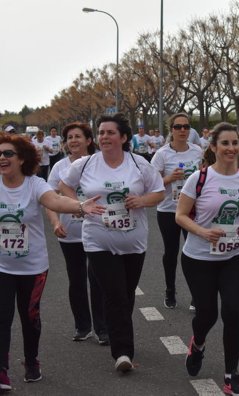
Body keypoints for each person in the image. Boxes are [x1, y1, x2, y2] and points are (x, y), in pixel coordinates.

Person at [60, 113, 165, 372]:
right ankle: (122, 353)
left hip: (133, 241)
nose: (104, 137)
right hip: (98, 240)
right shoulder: (85, 164)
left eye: (110, 132)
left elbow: (159, 192)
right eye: (101, 133)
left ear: (124, 137)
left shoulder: (139, 164)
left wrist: (142, 201)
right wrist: (80, 205)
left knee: (126, 294)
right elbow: (64, 186)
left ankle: (120, 335)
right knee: (115, 293)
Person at [0, 134, 103, 389]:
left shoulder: (35, 185)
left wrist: (79, 206)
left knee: (29, 316)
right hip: (2, 266)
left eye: (8, 153)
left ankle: (32, 360)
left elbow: (56, 200)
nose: (2, 158)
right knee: (2, 316)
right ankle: (1, 369)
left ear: (22, 158)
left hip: (33, 267)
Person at [175, 122, 239, 396]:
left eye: (235, 143)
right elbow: (179, 215)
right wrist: (202, 231)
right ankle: (198, 343)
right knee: (207, 313)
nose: (231, 148)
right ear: (213, 147)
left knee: (233, 312)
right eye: (225, 143)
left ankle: (231, 375)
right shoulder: (199, 178)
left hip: (236, 255)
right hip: (199, 257)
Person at [46, 122, 108, 345]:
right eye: (69, 137)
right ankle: (83, 326)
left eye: (78, 137)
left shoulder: (99, 164)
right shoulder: (59, 168)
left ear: (89, 140)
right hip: (70, 233)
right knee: (77, 280)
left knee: (99, 279)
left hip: (99, 231)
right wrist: (54, 223)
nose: (73, 141)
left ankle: (103, 328)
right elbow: (49, 199)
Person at [151, 113, 203, 310]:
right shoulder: (162, 154)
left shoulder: (197, 151)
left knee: (194, 253)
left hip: (191, 210)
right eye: (178, 127)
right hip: (168, 210)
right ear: (171, 130)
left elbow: (204, 177)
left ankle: (196, 296)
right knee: (171, 253)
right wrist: (169, 178)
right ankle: (170, 291)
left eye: (186, 126)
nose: (183, 130)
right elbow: (151, 184)